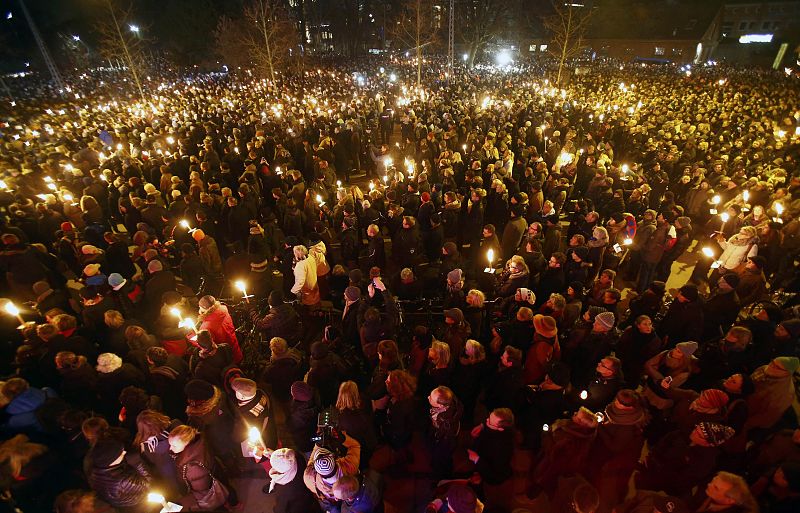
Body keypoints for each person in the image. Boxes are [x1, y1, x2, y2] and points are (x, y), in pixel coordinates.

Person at [86, 437, 151, 509]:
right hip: (138, 503)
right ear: (112, 460)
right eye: (121, 453)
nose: (124, 452)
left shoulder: (95, 471)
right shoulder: (122, 482)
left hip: (120, 502)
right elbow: (148, 484)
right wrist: (138, 463)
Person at [266, 448, 322, 513]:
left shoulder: (283, 490)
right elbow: (287, 457)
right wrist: (276, 456)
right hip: (309, 499)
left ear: (279, 471)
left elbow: (281, 508)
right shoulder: (298, 459)